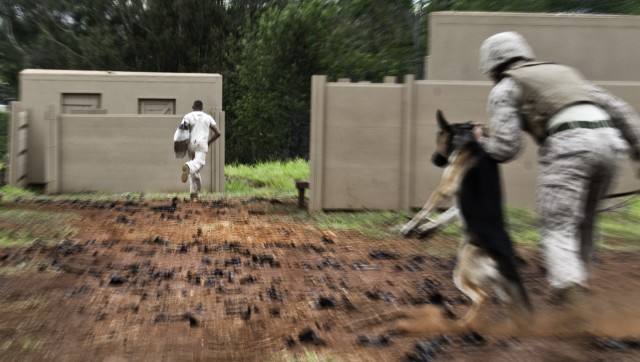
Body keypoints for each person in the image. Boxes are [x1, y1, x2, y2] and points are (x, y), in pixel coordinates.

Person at [474, 32, 640, 310]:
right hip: (610, 145)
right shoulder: (565, 73)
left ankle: (570, 301)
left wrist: (481, 141)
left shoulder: (506, 87)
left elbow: (506, 147)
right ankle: (578, 285)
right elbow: (620, 109)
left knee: (558, 227)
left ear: (491, 65)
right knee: (586, 221)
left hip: (569, 146)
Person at [180, 100, 221, 200]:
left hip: (191, 144)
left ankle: (194, 194)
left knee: (195, 171)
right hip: (202, 143)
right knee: (199, 163)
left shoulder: (188, 116)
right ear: (202, 108)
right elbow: (218, 133)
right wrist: (208, 142)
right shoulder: (208, 117)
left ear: (192, 107)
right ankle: (188, 166)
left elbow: (183, 129)